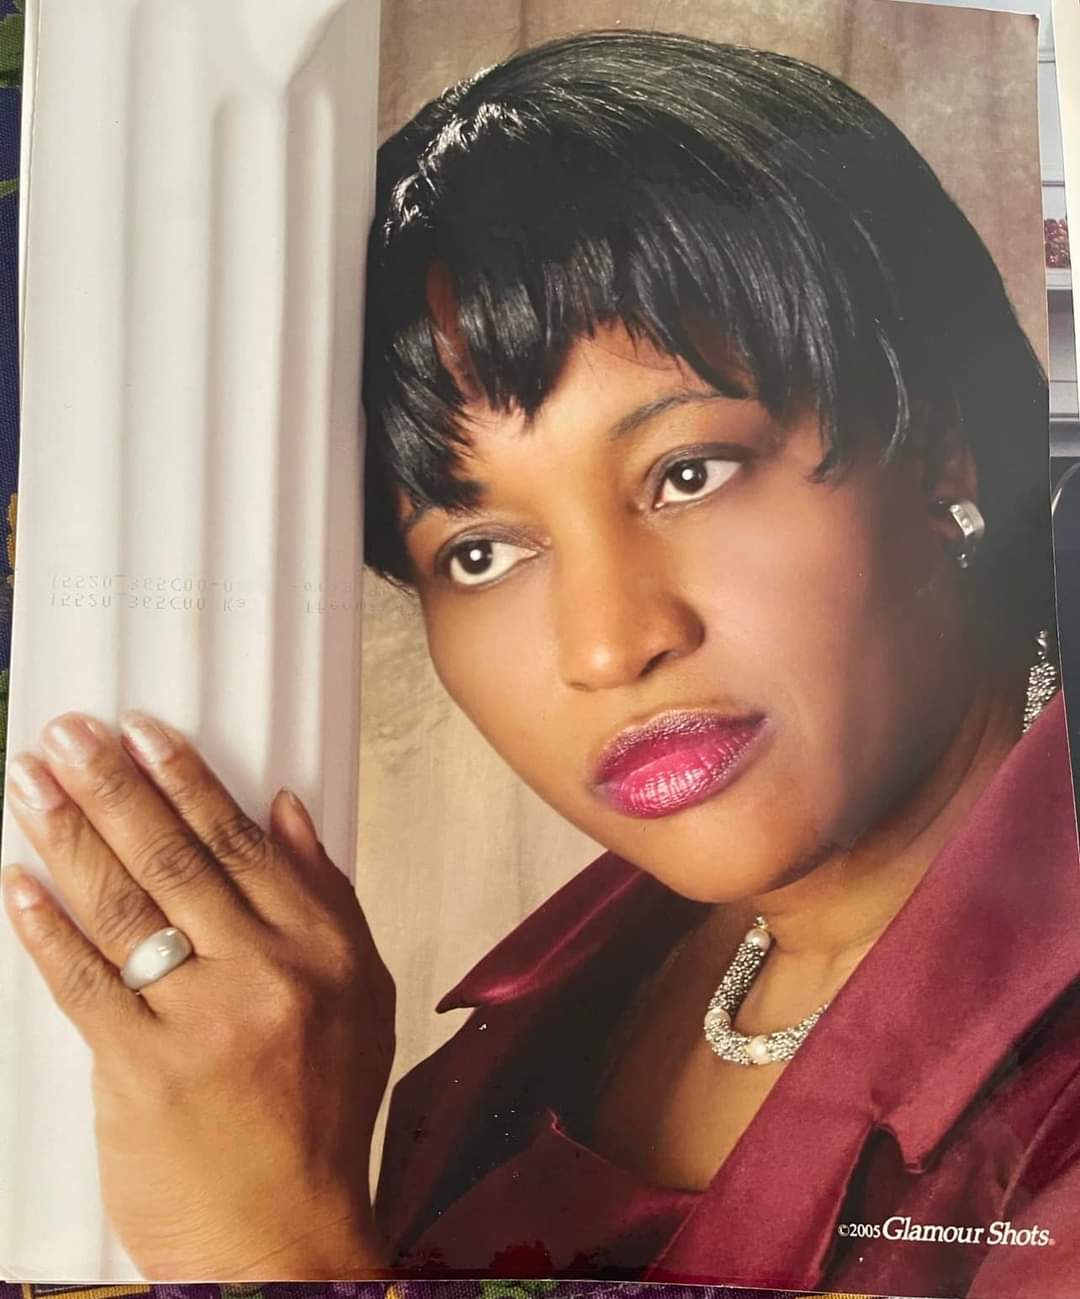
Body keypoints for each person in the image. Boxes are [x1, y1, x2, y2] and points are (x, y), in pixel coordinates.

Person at [2, 28, 1076, 1297]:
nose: (609, 645)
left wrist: (274, 1257)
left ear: (936, 444)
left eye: (688, 474)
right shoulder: (594, 985)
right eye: (481, 551)